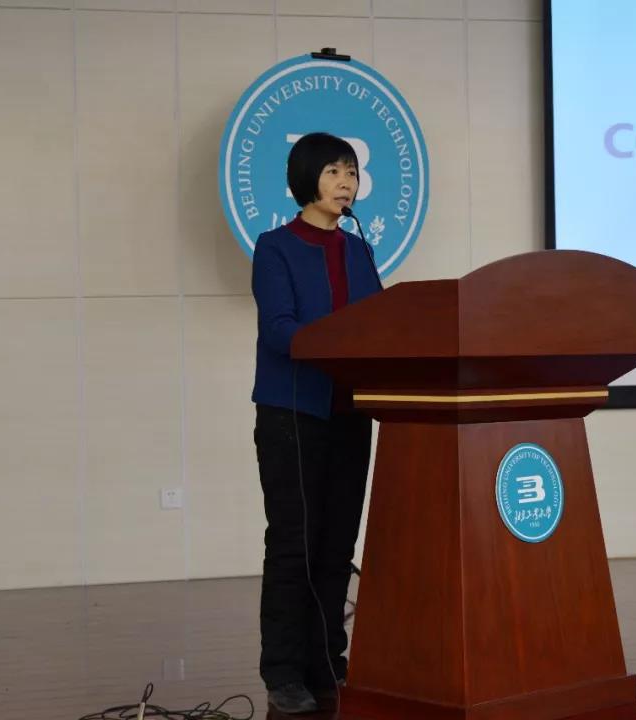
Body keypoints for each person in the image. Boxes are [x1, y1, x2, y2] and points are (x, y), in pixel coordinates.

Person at [250, 132, 383, 714]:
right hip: (293, 414)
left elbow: (381, 323)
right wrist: (341, 345)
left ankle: (328, 662)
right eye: (333, 171)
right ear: (306, 179)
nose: (345, 182)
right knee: (294, 544)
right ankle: (283, 671)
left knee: (337, 544)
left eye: (351, 172)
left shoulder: (359, 249)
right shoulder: (275, 247)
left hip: (350, 412)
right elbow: (279, 329)